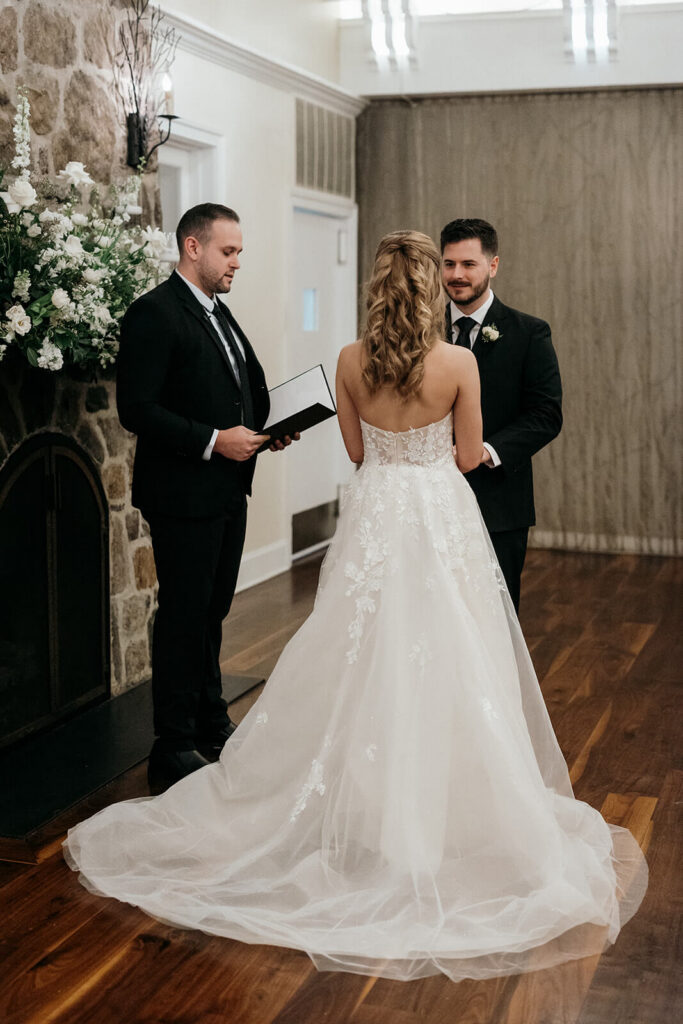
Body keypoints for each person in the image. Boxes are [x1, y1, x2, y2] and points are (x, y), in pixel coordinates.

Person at [65, 231, 646, 984]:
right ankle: (443, 811)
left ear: (376, 287)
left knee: (358, 652)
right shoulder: (458, 362)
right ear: (434, 285)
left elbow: (358, 454)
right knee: (455, 656)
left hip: (376, 514)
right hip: (439, 514)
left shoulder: (348, 360)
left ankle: (360, 809)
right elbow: (469, 458)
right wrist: (438, 450)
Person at [117, 203, 293, 793]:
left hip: (226, 489)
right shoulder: (154, 314)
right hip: (182, 491)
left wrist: (275, 425)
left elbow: (243, 387)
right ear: (192, 248)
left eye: (239, 251)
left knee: (212, 611)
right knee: (183, 616)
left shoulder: (218, 312)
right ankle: (171, 744)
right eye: (229, 251)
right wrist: (216, 440)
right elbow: (135, 409)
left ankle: (210, 720)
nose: (237, 262)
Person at [441, 218, 562, 612]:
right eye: (448, 264)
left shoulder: (529, 333)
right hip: (431, 499)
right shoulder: (421, 332)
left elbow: (546, 414)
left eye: (468, 264)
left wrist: (485, 452)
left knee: (496, 614)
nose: (456, 275)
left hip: (498, 503)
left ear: (493, 265)